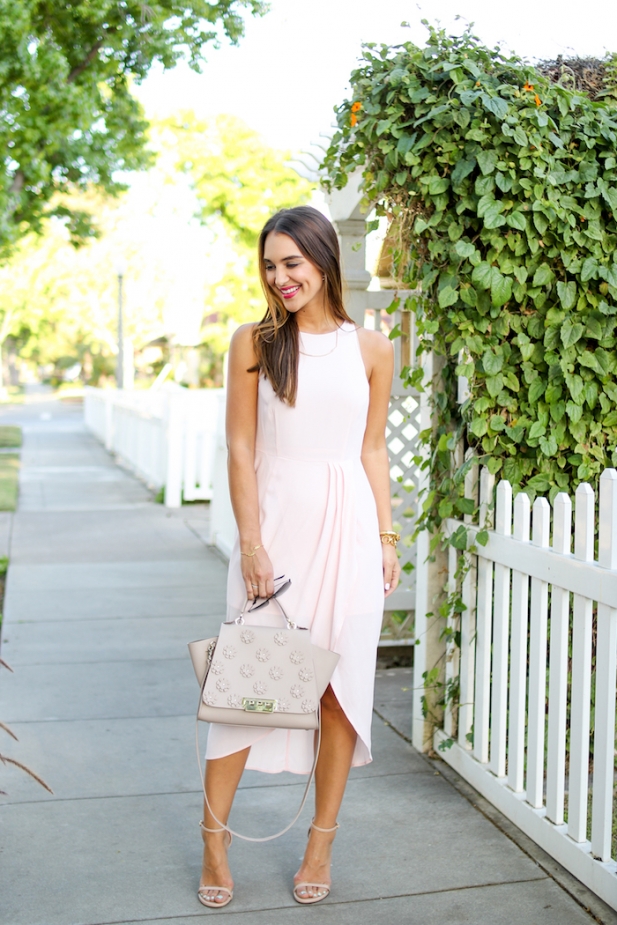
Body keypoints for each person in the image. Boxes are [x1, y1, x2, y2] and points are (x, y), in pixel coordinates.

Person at [198, 205, 401, 908]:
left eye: (291, 262)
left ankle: (321, 841)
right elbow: (240, 448)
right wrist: (251, 542)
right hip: (277, 529)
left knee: (338, 694)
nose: (279, 277)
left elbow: (370, 447)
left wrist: (386, 535)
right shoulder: (253, 342)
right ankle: (214, 836)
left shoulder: (372, 349)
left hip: (348, 534)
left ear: (322, 260)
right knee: (247, 693)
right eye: (268, 264)